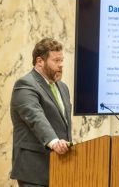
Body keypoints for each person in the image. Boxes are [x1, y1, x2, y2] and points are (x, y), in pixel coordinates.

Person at [10, 38, 72, 186]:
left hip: (60, 168)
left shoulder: (62, 87)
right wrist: (54, 142)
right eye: (56, 60)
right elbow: (35, 117)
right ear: (40, 61)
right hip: (34, 171)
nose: (61, 65)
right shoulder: (25, 85)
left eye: (62, 60)